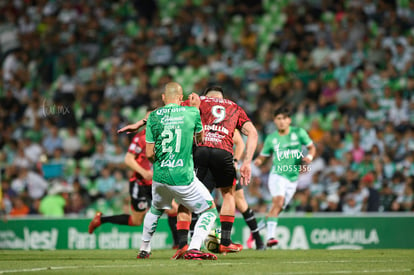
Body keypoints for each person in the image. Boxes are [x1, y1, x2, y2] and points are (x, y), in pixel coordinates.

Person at [120, 82, 219, 260]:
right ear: (181, 98)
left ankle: (144, 248)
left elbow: (149, 154)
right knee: (210, 210)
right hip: (183, 175)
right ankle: (195, 247)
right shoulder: (191, 112)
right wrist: (196, 110)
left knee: (156, 210)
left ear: (163, 98)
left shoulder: (153, 117)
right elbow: (200, 139)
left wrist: (160, 161)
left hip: (159, 175)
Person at [88, 110, 179, 248]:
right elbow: (128, 159)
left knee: (173, 209)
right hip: (140, 184)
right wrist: (144, 172)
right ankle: (101, 219)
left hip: (156, 183)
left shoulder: (164, 137)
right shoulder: (140, 138)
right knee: (136, 221)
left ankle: (177, 245)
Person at [186, 86, 258, 253]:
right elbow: (252, 133)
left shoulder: (199, 101)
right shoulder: (234, 107)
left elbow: (172, 109)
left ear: (206, 96)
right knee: (228, 193)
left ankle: (185, 241)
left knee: (190, 193)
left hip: (201, 150)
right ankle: (225, 240)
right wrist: (246, 162)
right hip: (223, 152)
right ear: (222, 97)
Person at [254, 107, 316, 247]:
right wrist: (257, 161)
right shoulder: (272, 138)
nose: (281, 122)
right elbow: (263, 156)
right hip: (278, 174)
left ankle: (257, 229)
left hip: (293, 178)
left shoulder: (299, 132)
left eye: (284, 118)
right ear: (275, 121)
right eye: (278, 119)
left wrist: (310, 157)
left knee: (278, 208)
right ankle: (270, 238)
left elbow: (312, 147)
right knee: (279, 202)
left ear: (289, 120)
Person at [194, 130, 264, 250]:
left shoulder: (226, 123)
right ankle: (193, 242)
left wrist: (235, 161)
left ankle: (258, 240)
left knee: (240, 203)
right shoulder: (202, 121)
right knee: (197, 202)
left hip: (223, 165)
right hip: (207, 168)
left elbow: (240, 143)